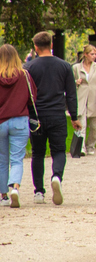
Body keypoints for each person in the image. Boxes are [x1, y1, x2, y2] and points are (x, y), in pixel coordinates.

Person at [24, 31, 79, 205]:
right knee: (59, 151)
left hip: (37, 116)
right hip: (57, 114)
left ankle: (39, 192)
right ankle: (56, 176)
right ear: (51, 45)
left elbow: (25, 94)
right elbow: (71, 94)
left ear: (35, 47)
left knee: (38, 153)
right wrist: (74, 116)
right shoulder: (64, 66)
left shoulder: (29, 68)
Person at [1, 44, 37, 208]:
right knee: (16, 159)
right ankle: (15, 187)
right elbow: (32, 97)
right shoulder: (25, 75)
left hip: (1, 121)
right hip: (20, 120)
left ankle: (3, 196)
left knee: (1, 160)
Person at [72, 45, 96, 155]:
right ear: (85, 55)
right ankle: (81, 148)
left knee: (93, 127)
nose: (94, 56)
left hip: (94, 99)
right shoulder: (76, 67)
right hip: (81, 98)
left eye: (95, 54)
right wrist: (75, 82)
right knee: (81, 124)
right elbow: (69, 82)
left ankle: (91, 146)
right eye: (92, 54)